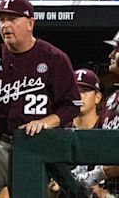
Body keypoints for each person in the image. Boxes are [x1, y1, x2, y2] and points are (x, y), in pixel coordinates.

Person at [0, 0, 81, 198]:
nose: (5, 25)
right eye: (1, 20)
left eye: (12, 19)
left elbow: (71, 105)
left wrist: (46, 121)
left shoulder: (54, 58)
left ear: (30, 23)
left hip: (34, 145)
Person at [74, 30, 119, 196]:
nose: (111, 55)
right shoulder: (112, 98)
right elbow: (98, 149)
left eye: (117, 49)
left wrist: (96, 174)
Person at [49, 68, 104, 197]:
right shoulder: (59, 130)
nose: (79, 95)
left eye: (84, 91)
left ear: (97, 97)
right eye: (74, 90)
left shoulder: (106, 127)